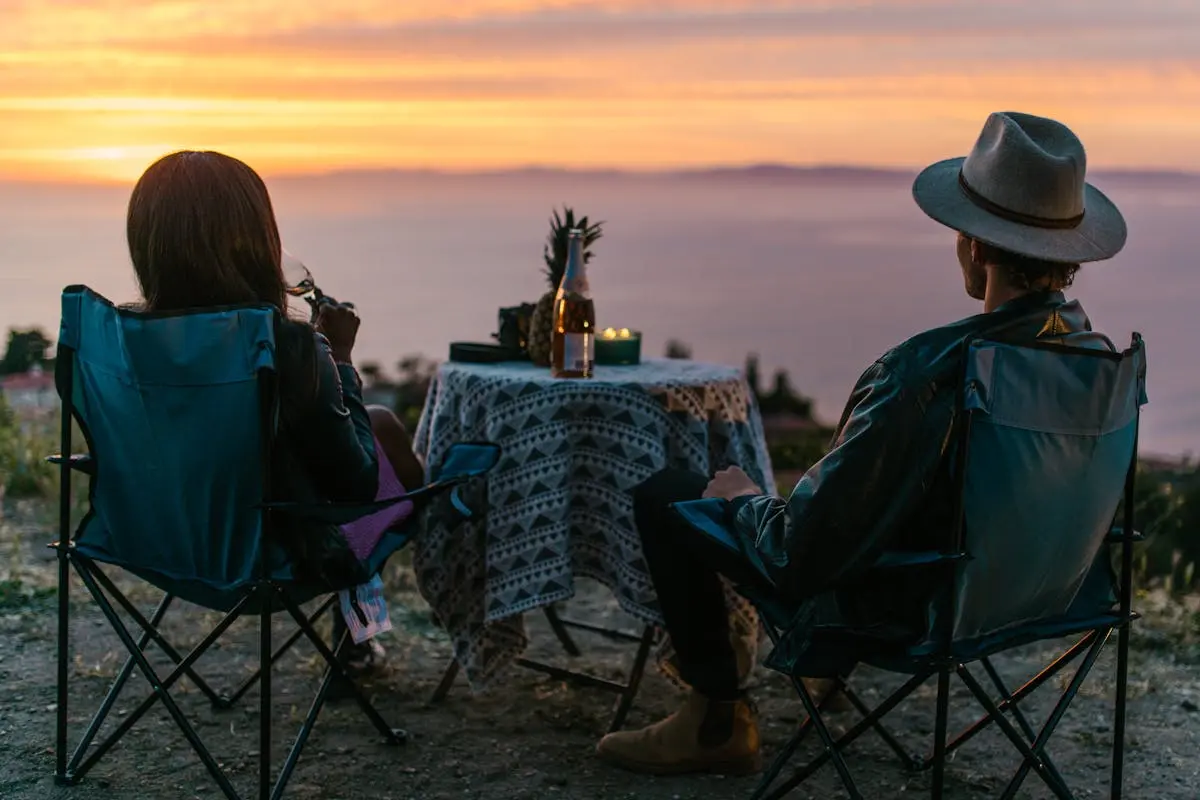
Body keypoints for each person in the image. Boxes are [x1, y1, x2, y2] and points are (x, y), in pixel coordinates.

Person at [596, 111, 1129, 775]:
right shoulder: (1096, 362)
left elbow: (803, 553)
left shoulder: (929, 374)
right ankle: (796, 687)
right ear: (1067, 253)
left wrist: (743, 502)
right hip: (1046, 595)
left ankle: (714, 721)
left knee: (665, 493)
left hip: (914, 609)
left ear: (978, 245)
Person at [126, 150, 426, 677]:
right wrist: (340, 359)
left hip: (156, 542)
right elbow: (354, 485)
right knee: (391, 446)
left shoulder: (126, 343)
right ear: (254, 240)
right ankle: (361, 637)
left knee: (378, 424)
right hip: (268, 555)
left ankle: (359, 641)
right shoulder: (285, 348)